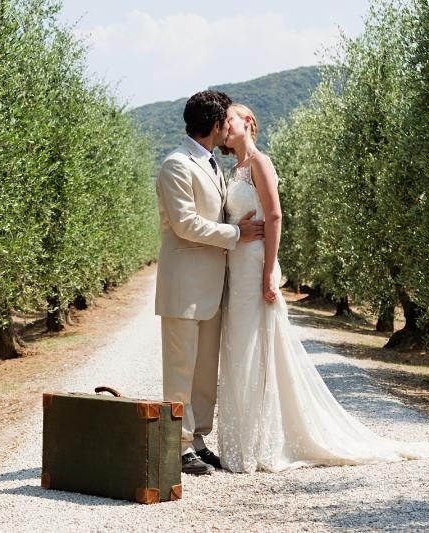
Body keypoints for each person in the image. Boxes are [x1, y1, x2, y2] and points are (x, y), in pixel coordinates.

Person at [216, 103, 429, 473]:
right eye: (222, 122)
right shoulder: (236, 168)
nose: (224, 126)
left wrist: (268, 273)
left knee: (258, 349)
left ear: (247, 122)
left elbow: (274, 216)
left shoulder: (260, 162)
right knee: (240, 348)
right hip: (237, 266)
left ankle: (261, 444)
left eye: (229, 119)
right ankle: (245, 441)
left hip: (256, 265)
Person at [155, 91, 265, 475]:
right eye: (225, 123)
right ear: (216, 126)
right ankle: (177, 444)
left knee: (204, 374)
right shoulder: (175, 165)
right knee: (181, 369)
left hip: (215, 289)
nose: (227, 129)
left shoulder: (214, 163)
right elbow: (186, 226)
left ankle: (198, 439)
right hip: (183, 288)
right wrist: (236, 234)